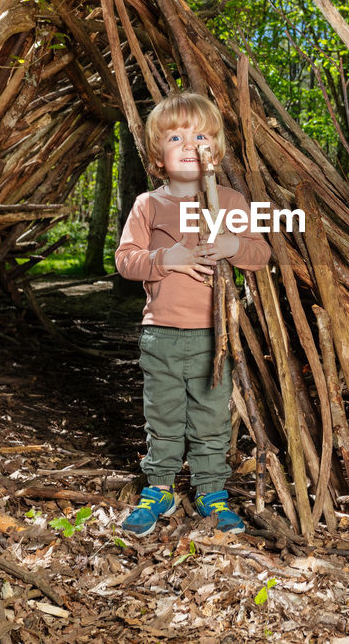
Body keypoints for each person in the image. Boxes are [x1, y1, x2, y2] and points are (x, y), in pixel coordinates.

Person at [114, 92, 270, 536]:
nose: (188, 144)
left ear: (214, 150)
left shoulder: (231, 203)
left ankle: (210, 492)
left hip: (213, 336)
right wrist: (170, 258)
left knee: (210, 417)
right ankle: (158, 487)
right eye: (176, 137)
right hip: (160, 335)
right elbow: (126, 261)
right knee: (162, 415)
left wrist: (233, 247)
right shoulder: (150, 205)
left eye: (199, 135)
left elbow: (261, 253)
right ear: (157, 155)